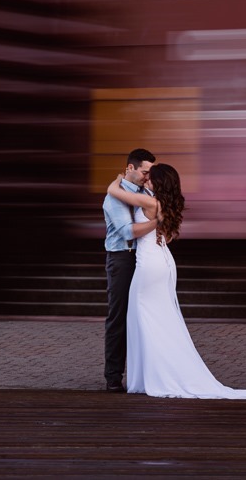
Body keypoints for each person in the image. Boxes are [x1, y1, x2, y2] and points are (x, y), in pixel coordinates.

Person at [106, 163, 246, 400]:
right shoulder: (164, 203)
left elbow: (116, 192)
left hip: (150, 264)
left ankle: (157, 375)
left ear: (158, 182)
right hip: (162, 259)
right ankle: (156, 372)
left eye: (150, 178)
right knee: (158, 318)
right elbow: (169, 236)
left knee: (145, 318)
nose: (146, 180)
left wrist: (116, 179)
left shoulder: (150, 202)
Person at [102, 148, 156, 393]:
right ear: (130, 168)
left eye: (150, 172)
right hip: (123, 260)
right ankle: (113, 377)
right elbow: (126, 231)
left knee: (143, 316)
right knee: (119, 317)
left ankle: (143, 374)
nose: (147, 176)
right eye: (144, 171)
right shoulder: (115, 196)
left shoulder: (145, 191)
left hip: (143, 258)